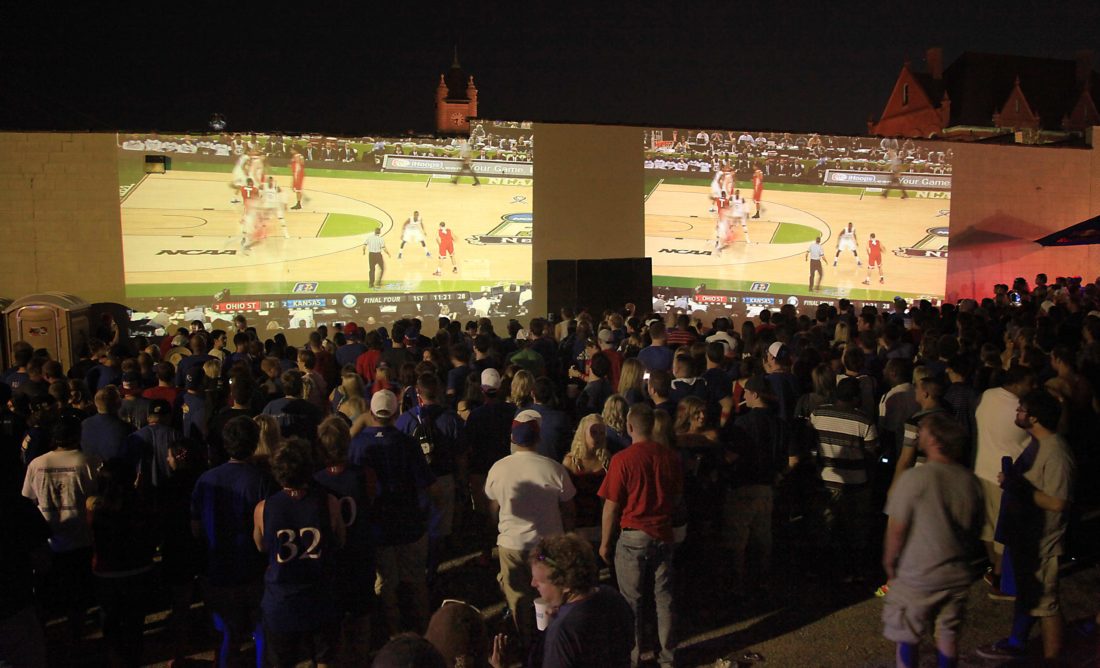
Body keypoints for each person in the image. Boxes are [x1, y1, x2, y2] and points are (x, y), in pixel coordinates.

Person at [977, 390, 1075, 663]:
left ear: (1034, 417)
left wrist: (1018, 488)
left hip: (1042, 542)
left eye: (1021, 409)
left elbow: (1058, 502)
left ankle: (1053, 659)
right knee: (1029, 596)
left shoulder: (1056, 452)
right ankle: (1017, 642)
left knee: (1046, 605)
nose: (1016, 413)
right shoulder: (1037, 444)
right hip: (1026, 538)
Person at [881, 414, 983, 668]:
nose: (919, 434)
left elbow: (897, 528)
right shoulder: (970, 481)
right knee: (947, 633)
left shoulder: (915, 478)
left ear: (936, 441)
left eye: (924, 431)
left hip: (919, 573)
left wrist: (890, 563)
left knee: (907, 633)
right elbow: (975, 529)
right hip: (956, 573)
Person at [598, 404, 683, 667]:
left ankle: (633, 658)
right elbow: (677, 497)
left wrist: (604, 543)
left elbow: (611, 506)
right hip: (663, 532)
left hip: (633, 534)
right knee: (664, 598)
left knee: (631, 601)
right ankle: (668, 656)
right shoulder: (670, 457)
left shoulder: (622, 460)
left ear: (630, 427)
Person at [349, 389, 439, 636]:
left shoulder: (357, 444)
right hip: (409, 525)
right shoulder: (407, 443)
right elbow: (427, 484)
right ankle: (424, 631)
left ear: (371, 413)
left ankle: (394, 634)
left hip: (378, 529)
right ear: (395, 414)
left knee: (387, 586)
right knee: (416, 581)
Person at [484, 409, 576, 647]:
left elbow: (492, 508)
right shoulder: (553, 468)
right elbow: (568, 508)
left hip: (512, 546)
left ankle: (527, 645)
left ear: (512, 438)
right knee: (549, 597)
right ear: (538, 438)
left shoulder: (498, 469)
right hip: (546, 547)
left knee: (519, 601)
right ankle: (549, 644)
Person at [190, 415, 276, 667]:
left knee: (227, 634)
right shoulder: (262, 480)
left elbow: (195, 529)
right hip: (253, 568)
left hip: (218, 568)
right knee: (260, 629)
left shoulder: (206, 480)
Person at [253, 437, 345, 668]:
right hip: (320, 596)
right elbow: (340, 540)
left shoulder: (264, 508)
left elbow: (261, 546)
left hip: (282, 600)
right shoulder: (329, 502)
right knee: (324, 659)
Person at [22, 411, 97, 648]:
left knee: (47, 597)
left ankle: (45, 640)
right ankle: (75, 639)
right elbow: (95, 498)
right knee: (78, 596)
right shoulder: (88, 461)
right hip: (81, 539)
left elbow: (28, 498)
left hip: (49, 540)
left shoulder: (37, 463)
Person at [314, 416, 376, 663]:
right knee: (361, 616)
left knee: (336, 619)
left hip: (334, 558)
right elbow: (370, 502)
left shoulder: (316, 481)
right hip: (360, 552)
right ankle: (361, 659)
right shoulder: (364, 474)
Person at [973, 365, 1036, 598]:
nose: (1033, 387)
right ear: (1017, 384)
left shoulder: (987, 396)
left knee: (988, 528)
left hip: (982, 470)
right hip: (1004, 477)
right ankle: (1001, 579)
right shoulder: (1021, 409)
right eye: (1030, 383)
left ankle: (993, 568)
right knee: (1005, 532)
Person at [529, 534, 634, 668]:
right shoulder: (611, 595)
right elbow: (629, 641)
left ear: (566, 585)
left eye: (540, 581)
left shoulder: (562, 632)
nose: (533, 584)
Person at [363, 224, 391, 289]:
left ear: (374, 232)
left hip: (371, 255)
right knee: (382, 268)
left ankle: (371, 284)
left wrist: (364, 252)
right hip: (378, 255)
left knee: (372, 270)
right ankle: (378, 282)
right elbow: (384, 248)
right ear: (380, 232)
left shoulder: (369, 238)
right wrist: (388, 254)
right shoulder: (381, 239)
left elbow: (364, 246)